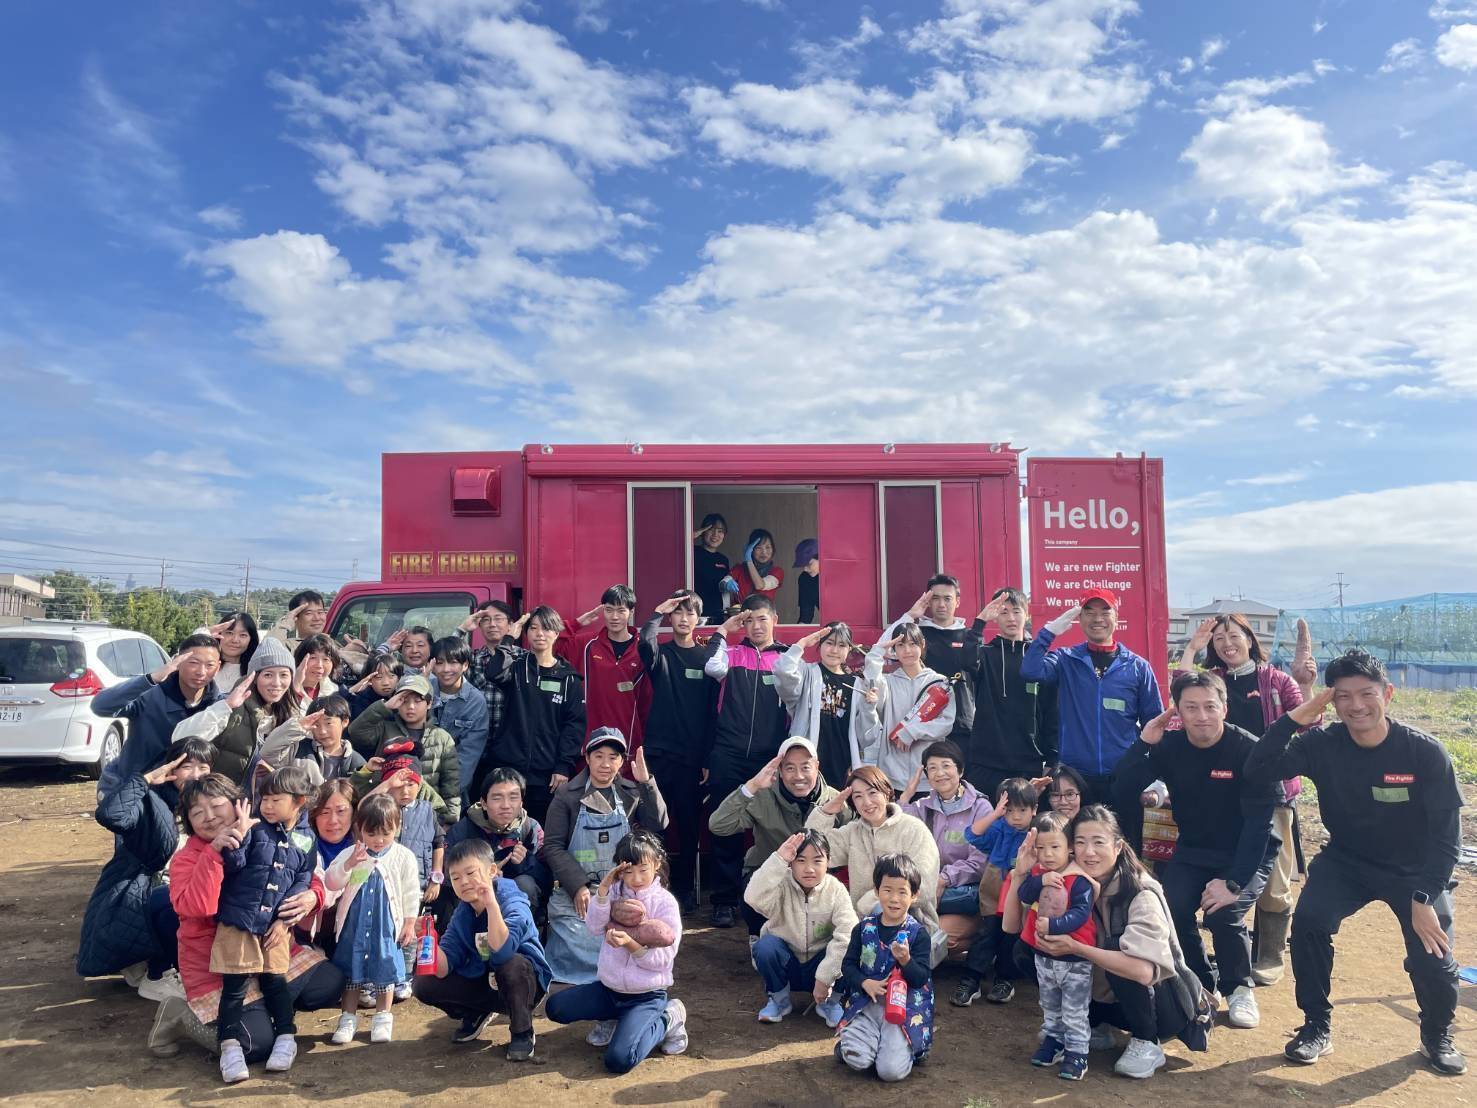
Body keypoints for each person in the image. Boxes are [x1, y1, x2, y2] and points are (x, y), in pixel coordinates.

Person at [1243, 650, 1465, 1075]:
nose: (1356, 705)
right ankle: (1316, 1026)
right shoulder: (1321, 744)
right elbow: (1258, 769)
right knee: (1309, 924)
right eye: (1342, 696)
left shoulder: (1423, 752)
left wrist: (1424, 897)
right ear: (1331, 701)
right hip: (1347, 861)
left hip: (1416, 870)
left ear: (1388, 694)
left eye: (1367, 694)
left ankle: (1436, 1035)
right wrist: (1297, 716)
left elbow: (1446, 839)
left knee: (1433, 954)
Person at [1112, 672, 1279, 1030]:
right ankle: (1203, 981)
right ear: (1178, 712)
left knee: (1223, 912)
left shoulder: (1249, 750)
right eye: (1191, 708)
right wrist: (1143, 743)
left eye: (1210, 707)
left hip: (1247, 852)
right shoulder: (1169, 747)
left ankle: (1239, 988)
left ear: (1224, 708)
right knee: (1171, 909)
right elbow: (1122, 788)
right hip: (1194, 849)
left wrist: (1233, 882)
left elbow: (1259, 826)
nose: (1202, 716)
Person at [1005, 805, 1211, 1080]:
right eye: (1080, 842)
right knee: (1025, 949)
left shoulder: (1140, 891)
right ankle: (1094, 1024)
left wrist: (1076, 948)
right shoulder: (1067, 881)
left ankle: (1146, 1041)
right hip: (1106, 997)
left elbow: (1143, 971)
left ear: (1118, 846)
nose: (1089, 852)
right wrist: (1020, 874)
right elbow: (1011, 927)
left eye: (1098, 842)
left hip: (1162, 1005)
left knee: (1116, 949)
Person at [159, 775, 343, 1064]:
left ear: (238, 804)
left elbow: (300, 870)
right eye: (197, 812)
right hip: (216, 965)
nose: (209, 817)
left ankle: (262, 1009)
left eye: (216, 806)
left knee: (329, 984)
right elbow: (199, 907)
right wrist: (214, 852)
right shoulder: (187, 858)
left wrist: (312, 897)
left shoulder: (263, 830)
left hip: (268, 947)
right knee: (255, 1046)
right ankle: (182, 1015)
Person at [1175, 613, 1315, 987]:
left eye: (1233, 635)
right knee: (1230, 869)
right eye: (1218, 638)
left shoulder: (1276, 681)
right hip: (1220, 794)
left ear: (1250, 640)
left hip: (1272, 793)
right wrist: (1190, 649)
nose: (1226, 643)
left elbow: (1308, 724)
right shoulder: (1212, 682)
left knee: (1273, 878)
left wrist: (1306, 686)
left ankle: (1270, 953)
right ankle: (1227, 945)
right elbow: (1180, 696)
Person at [76, 738, 215, 993]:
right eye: (187, 767)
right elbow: (110, 815)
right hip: (142, 890)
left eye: (203, 767)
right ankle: (157, 973)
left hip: (181, 888)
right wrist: (144, 781)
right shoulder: (150, 802)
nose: (196, 775)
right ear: (171, 769)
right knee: (178, 902)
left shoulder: (212, 804)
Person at [545, 829, 689, 1072]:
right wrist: (602, 891)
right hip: (609, 989)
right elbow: (593, 927)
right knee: (555, 1007)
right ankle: (611, 1019)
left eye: (643, 870)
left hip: (646, 995)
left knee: (620, 1060)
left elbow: (664, 959)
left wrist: (631, 944)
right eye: (629, 871)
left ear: (657, 865)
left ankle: (669, 1018)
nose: (636, 878)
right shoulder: (614, 892)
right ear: (620, 870)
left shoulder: (665, 903)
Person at [210, 766, 317, 1081]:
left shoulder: (307, 838)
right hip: (239, 921)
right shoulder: (255, 828)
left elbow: (303, 878)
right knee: (235, 986)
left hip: (275, 927)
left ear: (298, 801)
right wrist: (240, 836)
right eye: (264, 799)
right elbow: (234, 866)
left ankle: (286, 1036)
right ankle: (229, 1046)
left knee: (275, 982)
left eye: (276, 800)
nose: (267, 806)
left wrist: (284, 921)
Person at [542, 729, 668, 984]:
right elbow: (553, 846)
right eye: (599, 756)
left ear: (621, 761)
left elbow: (658, 824)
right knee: (581, 937)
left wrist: (646, 783)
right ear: (587, 758)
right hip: (579, 893)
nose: (605, 764)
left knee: (635, 928)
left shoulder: (630, 791)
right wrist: (577, 886)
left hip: (622, 890)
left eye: (613, 757)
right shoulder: (567, 795)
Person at [1022, 588, 1164, 807]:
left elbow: (1154, 724)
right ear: (1079, 618)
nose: (1098, 619)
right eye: (1089, 612)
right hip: (1076, 779)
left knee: (1123, 831)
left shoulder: (1138, 667)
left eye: (1105, 611)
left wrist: (1155, 776)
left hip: (1124, 775)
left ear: (1116, 616)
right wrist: (1049, 632)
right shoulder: (1066, 660)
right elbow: (1030, 670)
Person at [415, 838, 551, 1059]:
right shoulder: (463, 912)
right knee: (423, 982)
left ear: (492, 871)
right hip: (484, 981)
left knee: (512, 965)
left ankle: (522, 1030)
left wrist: (491, 905)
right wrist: (427, 937)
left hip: (524, 985)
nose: (464, 882)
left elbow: (503, 952)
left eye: (470, 873)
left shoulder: (513, 900)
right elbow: (443, 968)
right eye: (455, 878)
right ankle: (475, 1013)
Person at [704, 596, 790, 928]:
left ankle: (770, 899)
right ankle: (724, 901)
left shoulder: (785, 659)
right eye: (749, 620)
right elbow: (711, 667)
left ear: (775, 620)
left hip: (769, 758)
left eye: (762, 619)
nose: (756, 626)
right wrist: (723, 631)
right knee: (726, 826)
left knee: (771, 828)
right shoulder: (730, 654)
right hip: (728, 752)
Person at [710, 737, 847, 947]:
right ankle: (758, 936)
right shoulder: (763, 796)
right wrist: (751, 786)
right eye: (790, 768)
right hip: (772, 874)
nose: (798, 776)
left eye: (805, 767)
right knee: (753, 887)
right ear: (780, 771)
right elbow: (718, 825)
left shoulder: (836, 800)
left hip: (816, 878)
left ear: (817, 766)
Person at [806, 765, 943, 954]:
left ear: (886, 792)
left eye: (872, 793)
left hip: (913, 922)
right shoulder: (853, 831)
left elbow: (924, 888)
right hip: (860, 924)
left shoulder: (914, 829)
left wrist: (869, 903)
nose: (867, 802)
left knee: (881, 912)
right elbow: (813, 850)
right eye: (858, 796)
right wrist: (826, 812)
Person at [637, 590, 717, 913]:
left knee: (688, 828)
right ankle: (652, 889)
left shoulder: (706, 660)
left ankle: (684, 892)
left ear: (698, 619)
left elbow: (712, 713)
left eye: (690, 613)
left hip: (692, 759)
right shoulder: (661, 655)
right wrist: (657, 611)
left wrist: (707, 757)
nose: (684, 619)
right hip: (659, 754)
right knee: (654, 826)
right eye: (678, 613)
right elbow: (644, 642)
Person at [324, 793, 422, 1046]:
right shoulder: (351, 853)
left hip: (386, 926)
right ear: (360, 828)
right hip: (353, 925)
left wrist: (409, 923)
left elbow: (411, 892)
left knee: (384, 965)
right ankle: (348, 1017)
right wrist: (348, 865)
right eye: (371, 833)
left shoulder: (403, 857)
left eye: (385, 833)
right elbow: (331, 882)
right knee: (351, 970)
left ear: (397, 827)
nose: (378, 840)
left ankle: (383, 1016)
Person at [474, 606, 586, 828]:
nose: (539, 634)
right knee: (503, 829)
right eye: (533, 628)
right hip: (508, 769)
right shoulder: (517, 668)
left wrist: (563, 766)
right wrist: (508, 639)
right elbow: (493, 672)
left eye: (546, 628)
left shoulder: (569, 678)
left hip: (546, 775)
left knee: (540, 832)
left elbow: (574, 726)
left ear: (556, 633)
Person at [835, 853, 935, 1082]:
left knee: (890, 1072)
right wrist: (864, 982)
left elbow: (920, 978)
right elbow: (848, 966)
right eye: (887, 890)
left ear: (914, 895)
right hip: (867, 1005)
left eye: (902, 892)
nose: (894, 899)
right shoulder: (863, 929)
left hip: (902, 1011)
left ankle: (910, 1050)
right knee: (856, 1059)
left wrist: (906, 960)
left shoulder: (918, 935)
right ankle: (855, 1045)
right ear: (877, 890)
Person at [743, 829, 857, 1027]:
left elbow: (848, 933)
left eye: (817, 861)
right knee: (765, 946)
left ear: (828, 861)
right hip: (790, 965)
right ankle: (779, 999)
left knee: (854, 947)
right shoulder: (781, 884)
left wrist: (825, 977)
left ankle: (833, 1001)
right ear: (791, 863)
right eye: (801, 860)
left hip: (822, 967)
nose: (809, 869)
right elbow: (752, 897)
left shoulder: (835, 889)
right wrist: (778, 859)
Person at [1014, 811, 1098, 1081]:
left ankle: (1078, 1052)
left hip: (1075, 959)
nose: (1047, 854)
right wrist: (1039, 880)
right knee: (1049, 1003)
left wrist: (1054, 925)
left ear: (1070, 847)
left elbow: (1081, 913)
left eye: (1054, 847)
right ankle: (1054, 1040)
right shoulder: (1039, 873)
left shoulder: (1079, 879)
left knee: (1074, 1009)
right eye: (1041, 848)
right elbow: (1024, 893)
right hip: (1043, 955)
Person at [95, 633, 222, 794]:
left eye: (209, 665)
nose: (201, 672)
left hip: (188, 795)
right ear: (177, 661)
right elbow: (101, 706)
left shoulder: (220, 706)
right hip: (135, 788)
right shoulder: (149, 695)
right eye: (193, 663)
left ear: (218, 667)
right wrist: (152, 678)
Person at [897, 741, 991, 959]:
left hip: (963, 897)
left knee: (936, 937)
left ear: (960, 770)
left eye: (946, 765)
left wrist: (944, 879)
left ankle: (978, 943)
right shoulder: (924, 806)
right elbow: (900, 829)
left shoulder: (980, 807)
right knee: (913, 936)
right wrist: (906, 795)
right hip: (928, 895)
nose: (940, 773)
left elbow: (979, 863)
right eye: (932, 768)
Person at [963, 588, 1059, 797]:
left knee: (1026, 818)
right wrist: (980, 621)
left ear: (1027, 615)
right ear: (995, 617)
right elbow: (966, 661)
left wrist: (1052, 760)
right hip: (986, 763)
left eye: (1016, 611)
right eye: (1003, 612)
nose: (1011, 618)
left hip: (1029, 763)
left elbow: (1052, 712)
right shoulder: (985, 654)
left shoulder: (1039, 659)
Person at [170, 636, 301, 787]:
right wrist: (226, 706)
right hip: (221, 796)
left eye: (284, 675)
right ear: (254, 677)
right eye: (268, 675)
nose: (276, 683)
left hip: (265, 799)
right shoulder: (230, 706)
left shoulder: (293, 715)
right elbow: (180, 737)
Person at [955, 777, 1041, 1006]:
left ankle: (1005, 980)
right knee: (987, 933)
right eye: (1009, 810)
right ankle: (971, 979)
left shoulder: (1037, 833)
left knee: (1012, 938)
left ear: (1034, 809)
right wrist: (995, 814)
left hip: (1021, 894)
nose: (1016, 816)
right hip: (993, 891)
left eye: (1022, 810)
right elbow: (972, 834)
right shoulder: (999, 828)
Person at [367, 757, 445, 980]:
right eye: (398, 785)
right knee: (383, 928)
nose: (405, 791)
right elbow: (363, 808)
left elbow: (439, 843)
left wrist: (436, 879)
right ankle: (380, 973)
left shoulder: (428, 811)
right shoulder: (380, 809)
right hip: (385, 882)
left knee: (412, 929)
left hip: (418, 883)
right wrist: (385, 786)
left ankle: (405, 975)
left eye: (411, 784)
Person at [857, 618, 956, 791]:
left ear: (922, 644)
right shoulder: (887, 683)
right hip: (891, 776)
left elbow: (945, 724)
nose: (907, 650)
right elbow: (871, 682)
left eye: (912, 644)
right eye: (901, 645)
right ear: (894, 649)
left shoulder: (940, 683)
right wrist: (877, 652)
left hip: (928, 777)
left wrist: (911, 732)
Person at [347, 675, 461, 825]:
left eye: (418, 701)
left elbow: (451, 785)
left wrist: (449, 822)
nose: (410, 706)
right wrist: (386, 706)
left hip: (425, 817)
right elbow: (356, 731)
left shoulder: (442, 738)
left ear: (429, 703)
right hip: (386, 813)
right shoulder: (384, 728)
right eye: (404, 700)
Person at [445, 767, 552, 917]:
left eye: (513, 797)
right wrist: (482, 876)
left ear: (521, 802)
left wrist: (526, 862)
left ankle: (519, 929)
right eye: (497, 798)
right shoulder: (463, 830)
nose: (506, 805)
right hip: (474, 899)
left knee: (526, 884)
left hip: (514, 905)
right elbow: (447, 875)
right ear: (483, 803)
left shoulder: (530, 828)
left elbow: (548, 879)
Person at [563, 584, 652, 757]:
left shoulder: (643, 650)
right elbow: (550, 645)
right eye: (609, 610)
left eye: (621, 611)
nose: (614, 617)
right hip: (589, 748)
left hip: (628, 749)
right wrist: (578, 623)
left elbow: (646, 704)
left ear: (631, 612)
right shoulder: (587, 644)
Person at [774, 622, 866, 789]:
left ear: (849, 649)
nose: (834, 650)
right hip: (807, 762)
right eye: (829, 643)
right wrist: (800, 645)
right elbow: (783, 674)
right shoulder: (807, 672)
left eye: (842, 645)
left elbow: (865, 734)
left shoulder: (856, 684)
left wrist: (870, 707)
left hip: (842, 763)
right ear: (820, 645)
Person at [906, 576, 975, 749]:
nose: (941, 604)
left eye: (947, 598)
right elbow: (885, 649)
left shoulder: (970, 637)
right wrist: (910, 616)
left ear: (957, 601)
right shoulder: (916, 635)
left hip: (962, 724)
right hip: (923, 724)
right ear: (928, 602)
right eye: (935, 598)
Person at [429, 636, 491, 809]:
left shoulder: (475, 701)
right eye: (440, 662)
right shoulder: (423, 690)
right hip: (415, 786)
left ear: (465, 665)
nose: (446, 669)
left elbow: (468, 757)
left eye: (453, 662)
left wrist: (442, 796)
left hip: (452, 794)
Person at [255, 693, 365, 787]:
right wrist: (298, 726)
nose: (322, 731)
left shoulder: (356, 762)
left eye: (328, 723)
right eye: (316, 724)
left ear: (344, 721)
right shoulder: (298, 749)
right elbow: (267, 752)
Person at [461, 600, 518, 742]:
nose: (492, 624)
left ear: (510, 624)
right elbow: (445, 658)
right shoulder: (471, 659)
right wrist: (462, 629)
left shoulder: (524, 658)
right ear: (479, 625)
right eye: (486, 620)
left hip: (513, 742)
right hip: (477, 741)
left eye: (498, 619)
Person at [722, 528, 784, 606]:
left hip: (763, 613)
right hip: (740, 613)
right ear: (751, 549)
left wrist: (748, 560)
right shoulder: (739, 568)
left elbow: (759, 585)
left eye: (768, 547)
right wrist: (725, 584)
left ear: (773, 549)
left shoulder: (777, 571)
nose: (764, 552)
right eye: (758, 548)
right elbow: (722, 583)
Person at [201, 612, 259, 695]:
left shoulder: (255, 673)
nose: (235, 640)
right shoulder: (202, 667)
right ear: (218, 634)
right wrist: (201, 636)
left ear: (251, 640)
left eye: (243, 635)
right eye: (229, 633)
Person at [342, 652, 404, 721]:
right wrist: (351, 691)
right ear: (369, 679)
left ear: (398, 678)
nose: (386, 683)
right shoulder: (360, 702)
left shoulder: (404, 698)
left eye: (391, 676)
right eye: (379, 677)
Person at [692, 513, 731, 620]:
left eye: (720, 531)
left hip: (718, 614)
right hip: (696, 613)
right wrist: (691, 535)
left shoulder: (723, 559)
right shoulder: (692, 552)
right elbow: (674, 545)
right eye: (711, 529)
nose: (715, 534)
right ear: (703, 532)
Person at [293, 634, 340, 702]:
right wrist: (296, 685)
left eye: (326, 659)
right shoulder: (283, 687)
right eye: (313, 658)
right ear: (300, 660)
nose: (319, 665)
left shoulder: (333, 692)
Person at [794, 539, 820, 623]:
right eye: (802, 565)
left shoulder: (837, 575)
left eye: (809, 564)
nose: (805, 569)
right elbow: (806, 615)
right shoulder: (804, 578)